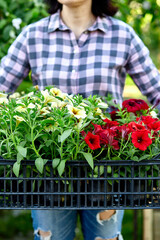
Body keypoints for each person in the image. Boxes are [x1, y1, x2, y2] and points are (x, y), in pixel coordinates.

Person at [0, 0, 160, 239]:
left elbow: (156, 91)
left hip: (106, 169)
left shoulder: (122, 35)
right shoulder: (33, 35)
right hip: (50, 170)